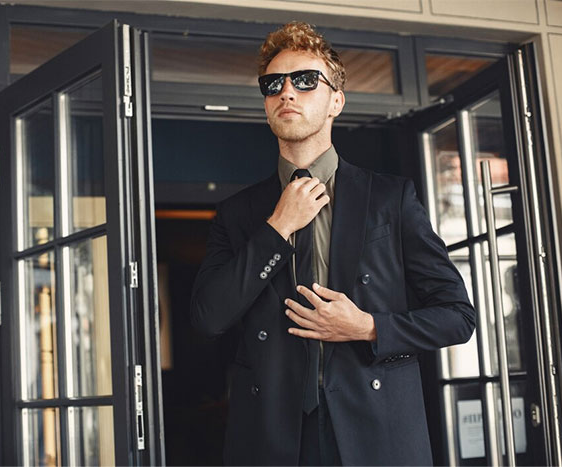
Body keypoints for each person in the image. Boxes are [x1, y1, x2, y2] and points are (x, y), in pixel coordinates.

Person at [190, 21, 475, 466]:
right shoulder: (239, 214)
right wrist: (277, 228)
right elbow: (208, 317)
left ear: (335, 101)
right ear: (266, 103)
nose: (287, 92)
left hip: (376, 430)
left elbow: (457, 317)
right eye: (273, 84)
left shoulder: (390, 198)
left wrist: (368, 327)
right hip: (271, 437)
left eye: (305, 81)